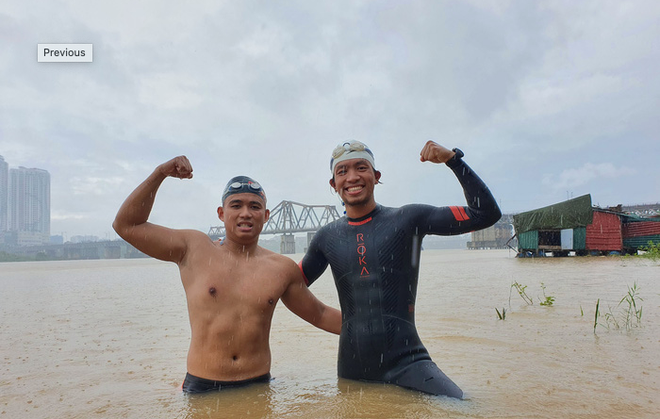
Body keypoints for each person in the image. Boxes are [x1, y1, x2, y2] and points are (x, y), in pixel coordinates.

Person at [113, 156, 341, 394]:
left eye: (254, 207)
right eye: (236, 205)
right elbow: (127, 225)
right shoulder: (193, 248)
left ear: (266, 215)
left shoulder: (281, 268)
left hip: (258, 386)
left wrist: (378, 329)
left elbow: (320, 314)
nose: (246, 213)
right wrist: (160, 173)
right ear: (221, 213)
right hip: (203, 387)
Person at [299, 140, 501, 398]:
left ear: (376, 176)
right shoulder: (326, 237)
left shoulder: (408, 219)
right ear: (333, 184)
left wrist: (454, 160)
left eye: (361, 168)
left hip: (409, 362)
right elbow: (290, 284)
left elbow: (486, 214)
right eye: (342, 171)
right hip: (352, 369)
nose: (352, 177)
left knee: (462, 409)